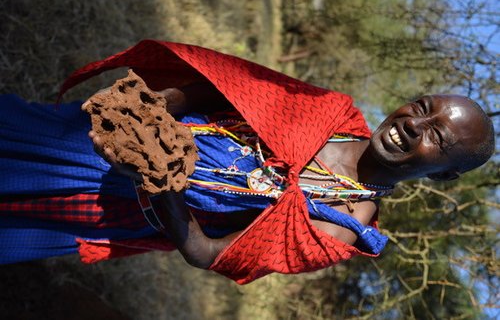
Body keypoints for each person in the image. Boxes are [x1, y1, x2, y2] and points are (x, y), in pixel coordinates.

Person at [0, 40, 495, 284]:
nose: (414, 123)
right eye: (424, 107)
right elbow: (224, 90)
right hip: (105, 142)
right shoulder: (333, 112)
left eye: (438, 138)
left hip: (116, 207)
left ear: (445, 175)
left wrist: (161, 180)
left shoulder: (343, 226)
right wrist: (153, 110)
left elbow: (206, 252)